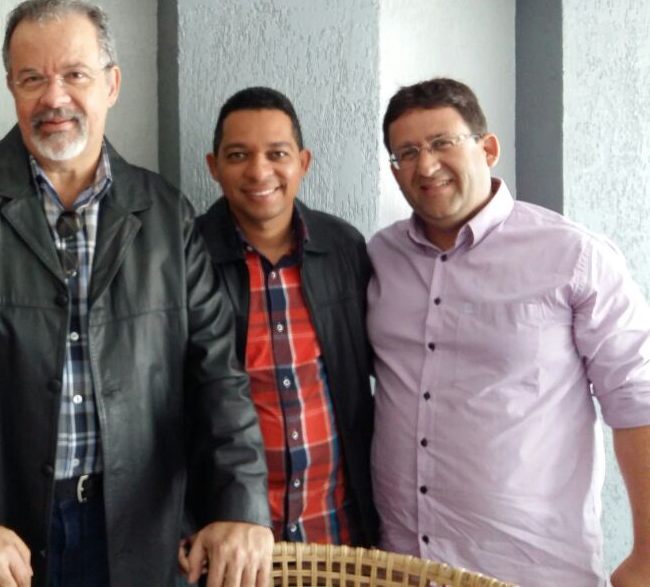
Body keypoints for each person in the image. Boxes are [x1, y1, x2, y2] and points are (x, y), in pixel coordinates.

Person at [0, 0, 272, 587]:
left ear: (111, 84)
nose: (54, 97)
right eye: (32, 78)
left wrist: (241, 504)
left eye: (74, 75)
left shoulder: (165, 213)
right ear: (11, 87)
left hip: (140, 529)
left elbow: (217, 372)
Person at [368, 77, 650, 586]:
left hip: (530, 571)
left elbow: (639, 400)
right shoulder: (378, 258)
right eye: (407, 152)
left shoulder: (574, 256)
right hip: (399, 567)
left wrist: (648, 553)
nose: (425, 165)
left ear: (488, 149)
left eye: (442, 143)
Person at [194, 87, 378, 548]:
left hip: (338, 532)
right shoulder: (184, 258)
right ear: (214, 166)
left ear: (303, 162)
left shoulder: (344, 248)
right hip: (233, 542)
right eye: (238, 155)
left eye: (277, 154)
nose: (259, 172)